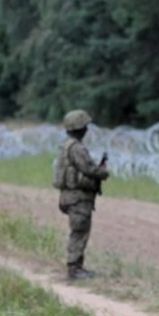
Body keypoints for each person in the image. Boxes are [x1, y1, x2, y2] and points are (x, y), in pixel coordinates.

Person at [53, 109, 109, 280]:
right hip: (78, 197)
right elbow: (89, 169)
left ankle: (75, 266)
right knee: (79, 232)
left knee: (78, 230)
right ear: (80, 128)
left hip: (68, 195)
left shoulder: (65, 146)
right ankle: (75, 268)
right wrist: (103, 172)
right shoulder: (77, 149)